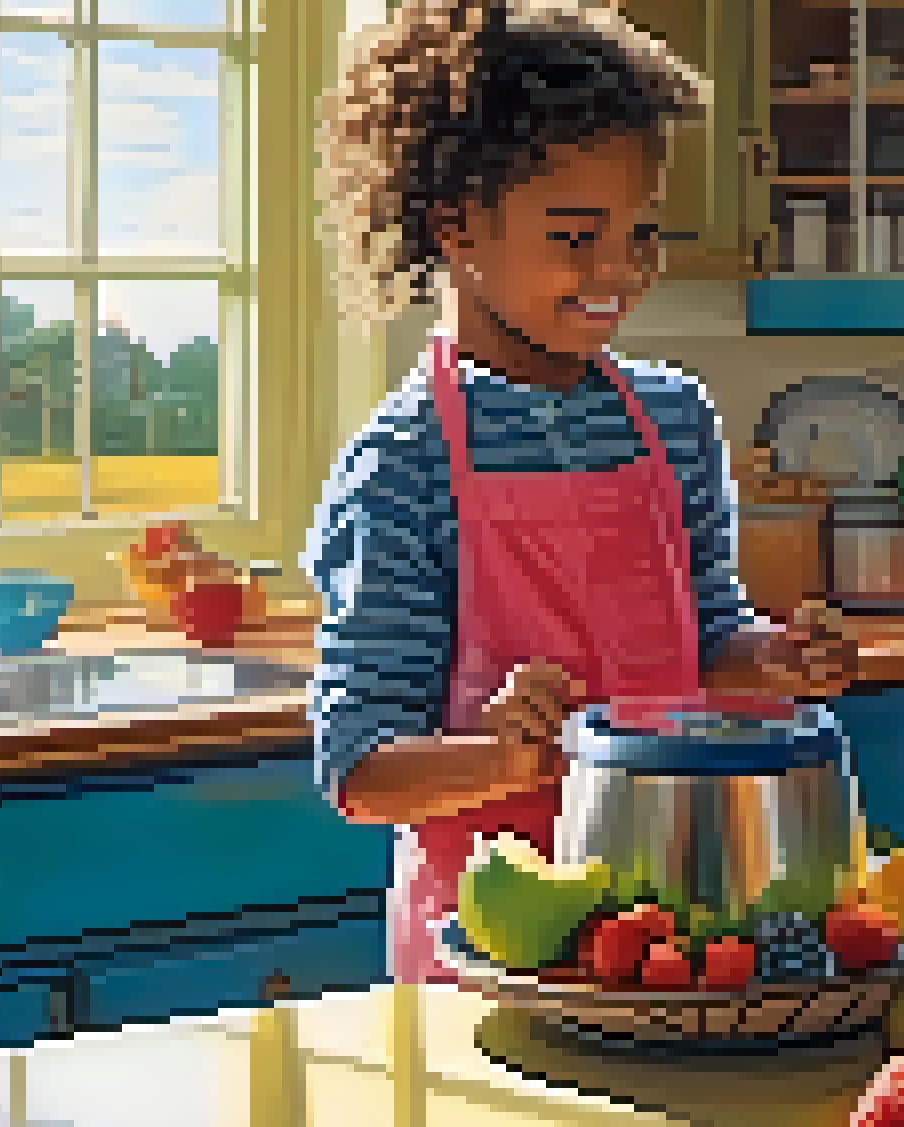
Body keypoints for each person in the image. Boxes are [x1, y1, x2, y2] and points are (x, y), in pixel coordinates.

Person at [306, 0, 861, 985]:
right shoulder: (403, 464)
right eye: (575, 236)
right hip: (492, 954)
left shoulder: (673, 420)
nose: (619, 271)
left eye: (642, 234)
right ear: (455, 227)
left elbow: (706, 644)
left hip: (676, 928)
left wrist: (773, 660)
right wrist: (499, 759)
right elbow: (360, 769)